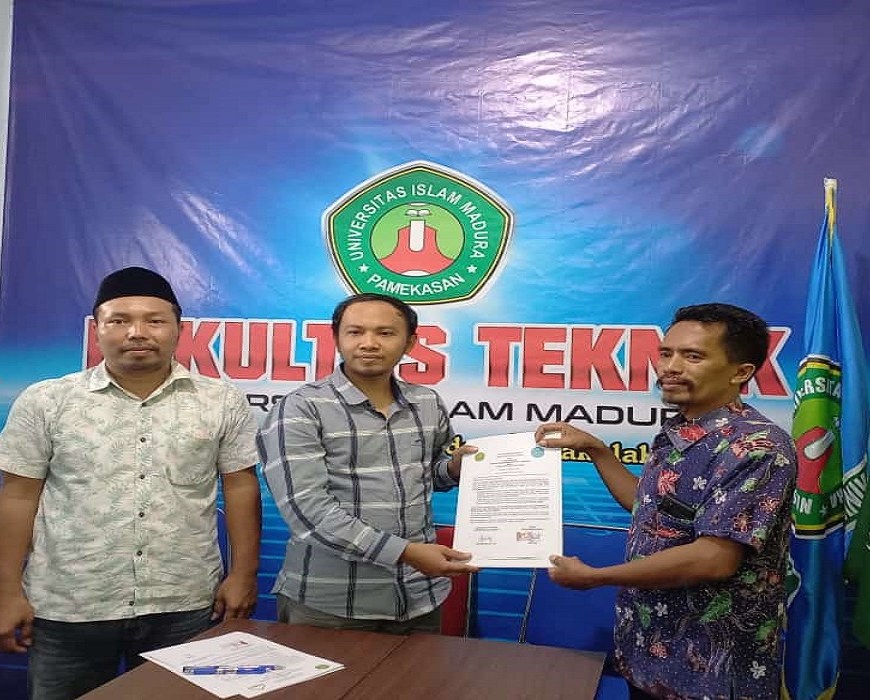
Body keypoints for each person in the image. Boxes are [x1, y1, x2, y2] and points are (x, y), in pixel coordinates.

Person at [0, 266, 262, 700]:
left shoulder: (220, 401)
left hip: (183, 602)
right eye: (119, 320)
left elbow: (240, 487)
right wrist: (7, 589)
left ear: (179, 329)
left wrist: (244, 574)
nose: (137, 332)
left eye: (154, 320)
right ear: (97, 329)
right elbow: (18, 496)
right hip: (69, 605)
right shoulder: (47, 400)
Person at [535, 303, 796, 700]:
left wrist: (596, 577)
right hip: (648, 653)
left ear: (740, 372)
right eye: (665, 353)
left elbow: (714, 558)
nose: (670, 367)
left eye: (693, 356)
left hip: (708, 671)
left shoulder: (757, 446)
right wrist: (596, 449)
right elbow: (651, 511)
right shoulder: (682, 429)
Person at [258, 292, 477, 634]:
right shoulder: (300, 408)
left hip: (419, 596)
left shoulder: (426, 402)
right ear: (336, 339)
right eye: (355, 332)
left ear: (410, 343)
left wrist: (453, 469)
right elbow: (307, 511)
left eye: (385, 333)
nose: (369, 343)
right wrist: (405, 553)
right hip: (331, 604)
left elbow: (429, 473)